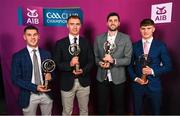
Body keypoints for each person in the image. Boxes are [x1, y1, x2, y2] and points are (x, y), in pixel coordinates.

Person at [128, 18, 172, 115]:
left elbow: (168, 66)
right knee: (137, 113)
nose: (146, 31)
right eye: (143, 28)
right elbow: (129, 66)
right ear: (140, 29)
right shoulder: (134, 46)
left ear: (153, 29)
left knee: (156, 113)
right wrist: (135, 78)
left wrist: (152, 71)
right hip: (138, 86)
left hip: (155, 86)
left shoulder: (161, 46)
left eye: (148, 28)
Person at [53, 15, 94, 115]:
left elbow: (91, 61)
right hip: (67, 82)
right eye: (72, 24)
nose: (75, 27)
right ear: (67, 25)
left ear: (80, 26)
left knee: (84, 111)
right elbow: (57, 64)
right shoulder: (60, 44)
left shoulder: (86, 42)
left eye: (77, 24)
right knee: (67, 111)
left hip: (83, 82)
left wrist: (83, 70)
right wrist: (70, 64)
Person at [94, 12, 132, 115]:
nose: (113, 23)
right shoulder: (98, 38)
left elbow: (128, 59)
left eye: (115, 20)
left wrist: (113, 60)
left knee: (119, 107)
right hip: (102, 77)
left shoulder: (126, 38)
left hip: (119, 78)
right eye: (110, 20)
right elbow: (96, 58)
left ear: (119, 23)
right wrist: (100, 63)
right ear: (107, 23)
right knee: (101, 107)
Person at [11, 25, 53, 115]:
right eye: (29, 35)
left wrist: (50, 76)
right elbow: (15, 79)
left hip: (46, 94)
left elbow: (53, 72)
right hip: (28, 95)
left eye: (35, 34)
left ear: (39, 36)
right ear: (24, 37)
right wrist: (35, 87)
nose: (33, 37)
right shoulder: (18, 56)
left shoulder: (47, 54)